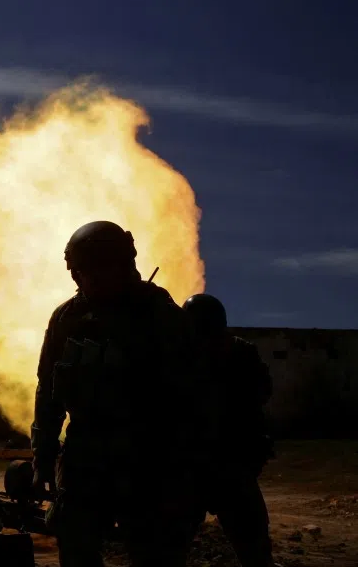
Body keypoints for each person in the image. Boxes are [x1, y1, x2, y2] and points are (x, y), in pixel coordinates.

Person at [31, 220, 210, 567]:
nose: (87, 279)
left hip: (148, 457)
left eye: (97, 269)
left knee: (155, 552)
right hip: (85, 454)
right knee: (75, 546)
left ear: (124, 264)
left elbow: (194, 397)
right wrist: (43, 461)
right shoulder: (68, 319)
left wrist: (188, 471)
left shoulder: (160, 315)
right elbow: (48, 394)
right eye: (80, 271)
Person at [183, 293, 275, 567]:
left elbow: (259, 394)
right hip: (207, 465)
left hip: (222, 463)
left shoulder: (235, 354)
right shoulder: (237, 351)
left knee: (253, 545)